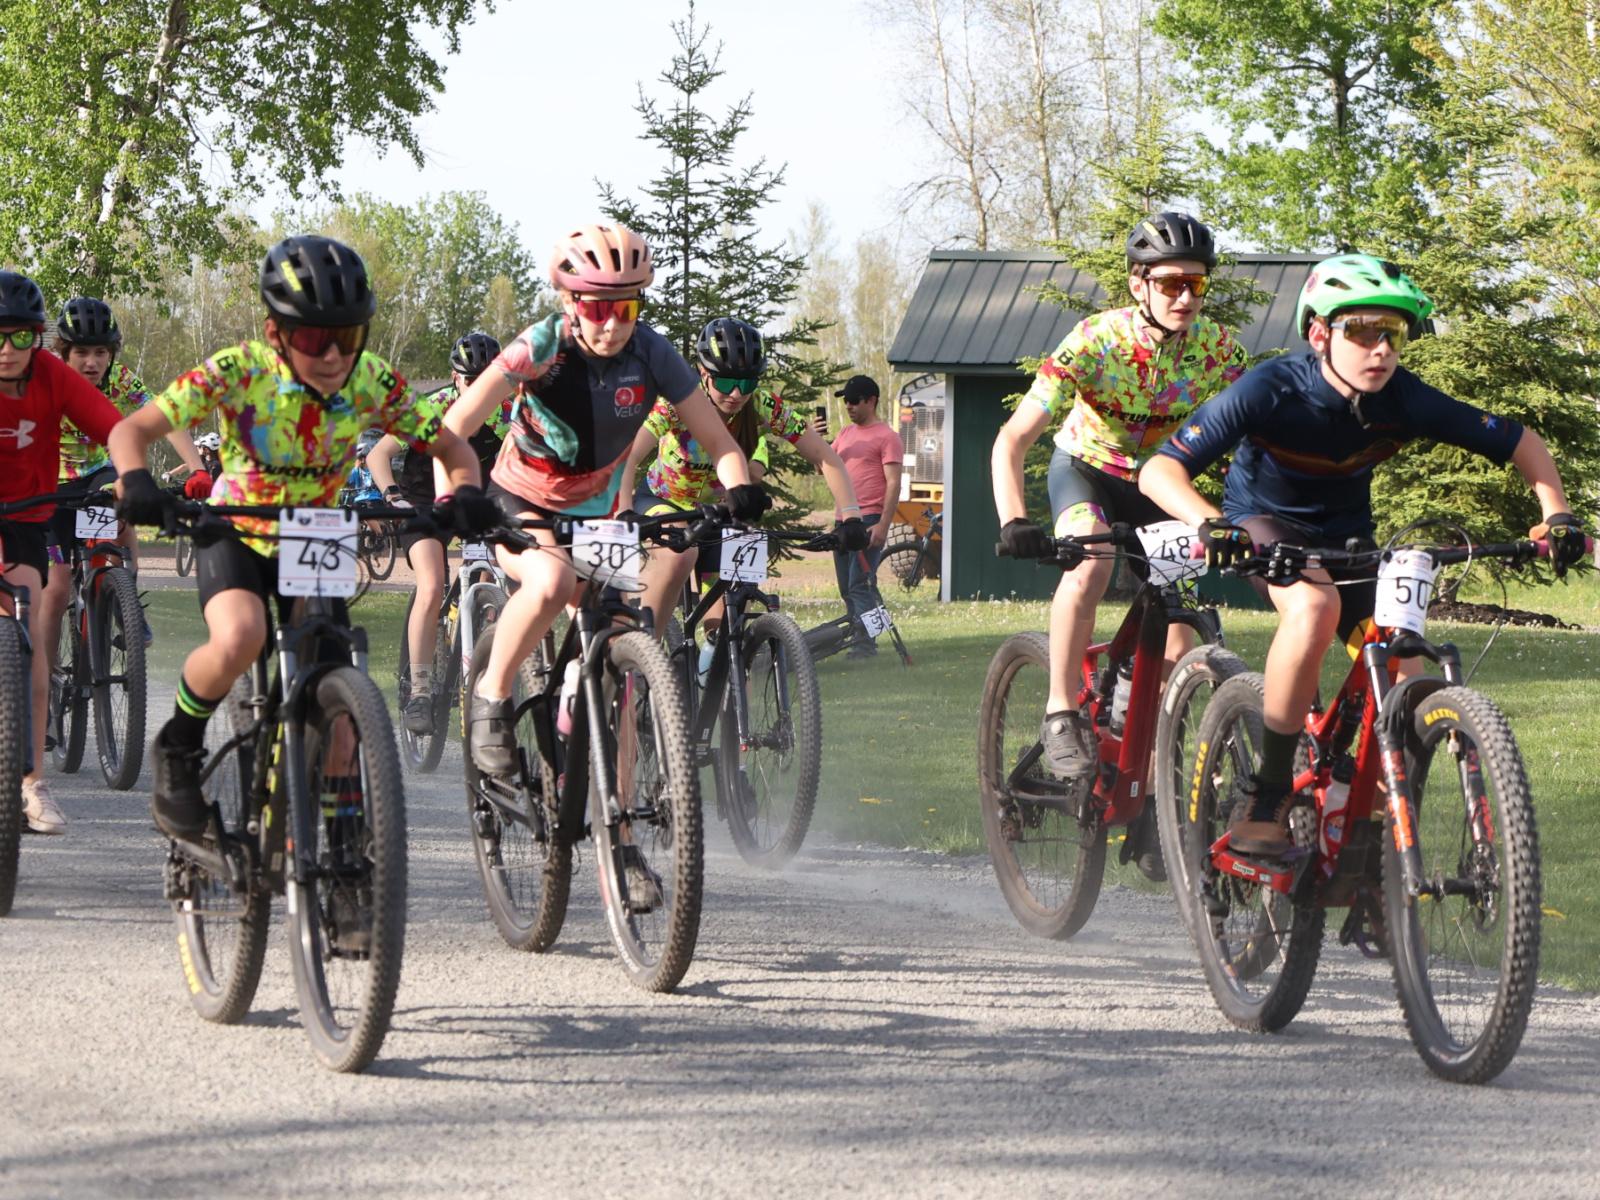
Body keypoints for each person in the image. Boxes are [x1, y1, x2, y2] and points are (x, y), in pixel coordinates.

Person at [1139, 252, 1589, 857]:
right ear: (1319, 334)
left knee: (1409, 674)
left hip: (1349, 542)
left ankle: (1369, 844)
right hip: (1262, 527)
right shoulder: (1272, 388)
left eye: (1393, 334)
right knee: (1313, 607)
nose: (1381, 349)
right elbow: (1160, 471)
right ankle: (1266, 792)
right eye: (1361, 331)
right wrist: (1209, 523)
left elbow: (1521, 442)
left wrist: (1556, 515)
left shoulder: (1404, 398)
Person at [109, 234, 491, 841]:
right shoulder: (238, 370)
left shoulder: (368, 379)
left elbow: (452, 447)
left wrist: (460, 497)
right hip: (236, 529)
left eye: (349, 336)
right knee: (241, 635)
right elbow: (130, 431)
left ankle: (340, 834)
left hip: (314, 536)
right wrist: (137, 482)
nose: (335, 355)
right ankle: (178, 745)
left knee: (335, 682)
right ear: (275, 333)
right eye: (315, 339)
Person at [439, 223, 768, 798]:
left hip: (598, 516)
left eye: (626, 308)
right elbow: (453, 426)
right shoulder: (539, 346)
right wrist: (455, 498)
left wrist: (738, 488)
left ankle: (622, 824)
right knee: (550, 582)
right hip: (521, 498)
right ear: (569, 301)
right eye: (596, 308)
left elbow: (721, 443)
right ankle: (491, 695)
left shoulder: (653, 352)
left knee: (622, 663)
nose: (612, 324)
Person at [991, 212, 1247, 799]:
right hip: (1087, 471)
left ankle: (1152, 770)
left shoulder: (1217, 349)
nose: (1185, 297)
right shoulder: (1094, 340)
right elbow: (1013, 438)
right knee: (1092, 566)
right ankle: (1060, 710)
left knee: (1180, 624)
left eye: (1196, 284)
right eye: (1171, 283)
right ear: (1139, 284)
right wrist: (1013, 519)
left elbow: (1253, 437)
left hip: (1160, 484)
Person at [622, 316, 867, 660]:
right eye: (726, 381)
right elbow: (629, 456)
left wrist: (852, 517)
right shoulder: (677, 404)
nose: (737, 393)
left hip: (722, 510)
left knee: (728, 630)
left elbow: (826, 456)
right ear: (703, 373)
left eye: (747, 382)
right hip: (664, 500)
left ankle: (728, 685)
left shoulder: (763, 406)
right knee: (680, 555)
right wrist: (623, 510)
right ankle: (642, 660)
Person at [0, 272, 126, 834]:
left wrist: (133, 475)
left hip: (27, 517)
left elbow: (115, 428)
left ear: (38, 339)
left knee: (26, 629)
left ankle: (33, 785)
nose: (8, 349)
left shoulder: (54, 376)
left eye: (20, 337)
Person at [44, 297, 208, 655]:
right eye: (81, 353)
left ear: (111, 353)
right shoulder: (48, 378)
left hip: (97, 472)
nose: (92, 362)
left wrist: (198, 469)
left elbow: (165, 414)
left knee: (123, 498)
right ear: (64, 352)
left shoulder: (118, 378)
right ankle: (45, 673)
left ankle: (126, 600)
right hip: (50, 481)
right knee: (55, 589)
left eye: (100, 352)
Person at [368, 330, 511, 734]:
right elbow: (379, 454)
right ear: (454, 377)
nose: (479, 388)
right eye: (471, 379)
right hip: (422, 501)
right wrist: (392, 496)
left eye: (487, 379)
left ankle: (486, 648)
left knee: (506, 575)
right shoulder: (433, 407)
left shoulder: (507, 412)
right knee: (431, 586)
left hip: (475, 499)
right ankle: (420, 691)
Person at [828, 374, 904, 658]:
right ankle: (858, 637)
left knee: (860, 584)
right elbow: (822, 466)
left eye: (854, 400)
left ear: (871, 401)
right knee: (847, 588)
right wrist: (816, 439)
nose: (848, 406)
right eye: (845, 401)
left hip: (869, 520)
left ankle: (866, 645)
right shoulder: (845, 434)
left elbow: (894, 483)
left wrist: (883, 525)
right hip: (842, 520)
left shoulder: (887, 437)